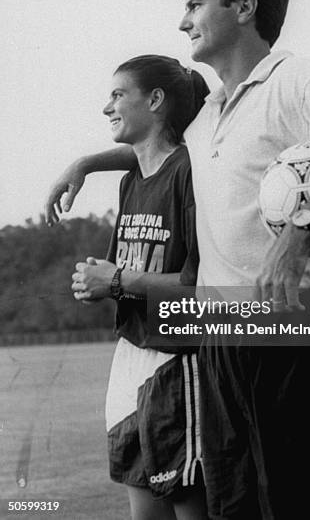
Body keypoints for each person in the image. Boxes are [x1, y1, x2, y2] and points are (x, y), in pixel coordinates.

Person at [45, 0, 310, 519]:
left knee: (306, 508)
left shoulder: (297, 78)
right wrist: (86, 163)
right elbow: (154, 150)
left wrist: (299, 233)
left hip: (301, 333)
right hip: (223, 343)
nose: (183, 20)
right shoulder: (209, 114)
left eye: (195, 3)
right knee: (238, 509)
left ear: (244, 7)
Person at [70, 54, 209, 520]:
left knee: (190, 504)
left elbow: (199, 284)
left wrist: (115, 280)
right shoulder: (132, 178)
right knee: (143, 508)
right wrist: (106, 285)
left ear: (155, 100)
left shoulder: (190, 171)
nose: (106, 107)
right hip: (131, 353)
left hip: (178, 359)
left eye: (117, 95)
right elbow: (129, 275)